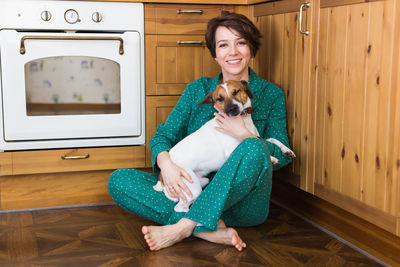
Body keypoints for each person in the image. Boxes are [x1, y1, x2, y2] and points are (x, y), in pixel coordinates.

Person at [108, 11, 292, 251]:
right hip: (190, 189)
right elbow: (163, 136)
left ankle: (186, 226)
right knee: (119, 180)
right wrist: (167, 165)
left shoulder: (271, 94)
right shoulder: (198, 90)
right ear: (215, 54)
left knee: (254, 146)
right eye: (223, 45)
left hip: (243, 205)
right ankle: (210, 230)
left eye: (241, 43)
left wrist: (244, 135)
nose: (233, 52)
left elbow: (281, 157)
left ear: (251, 48)